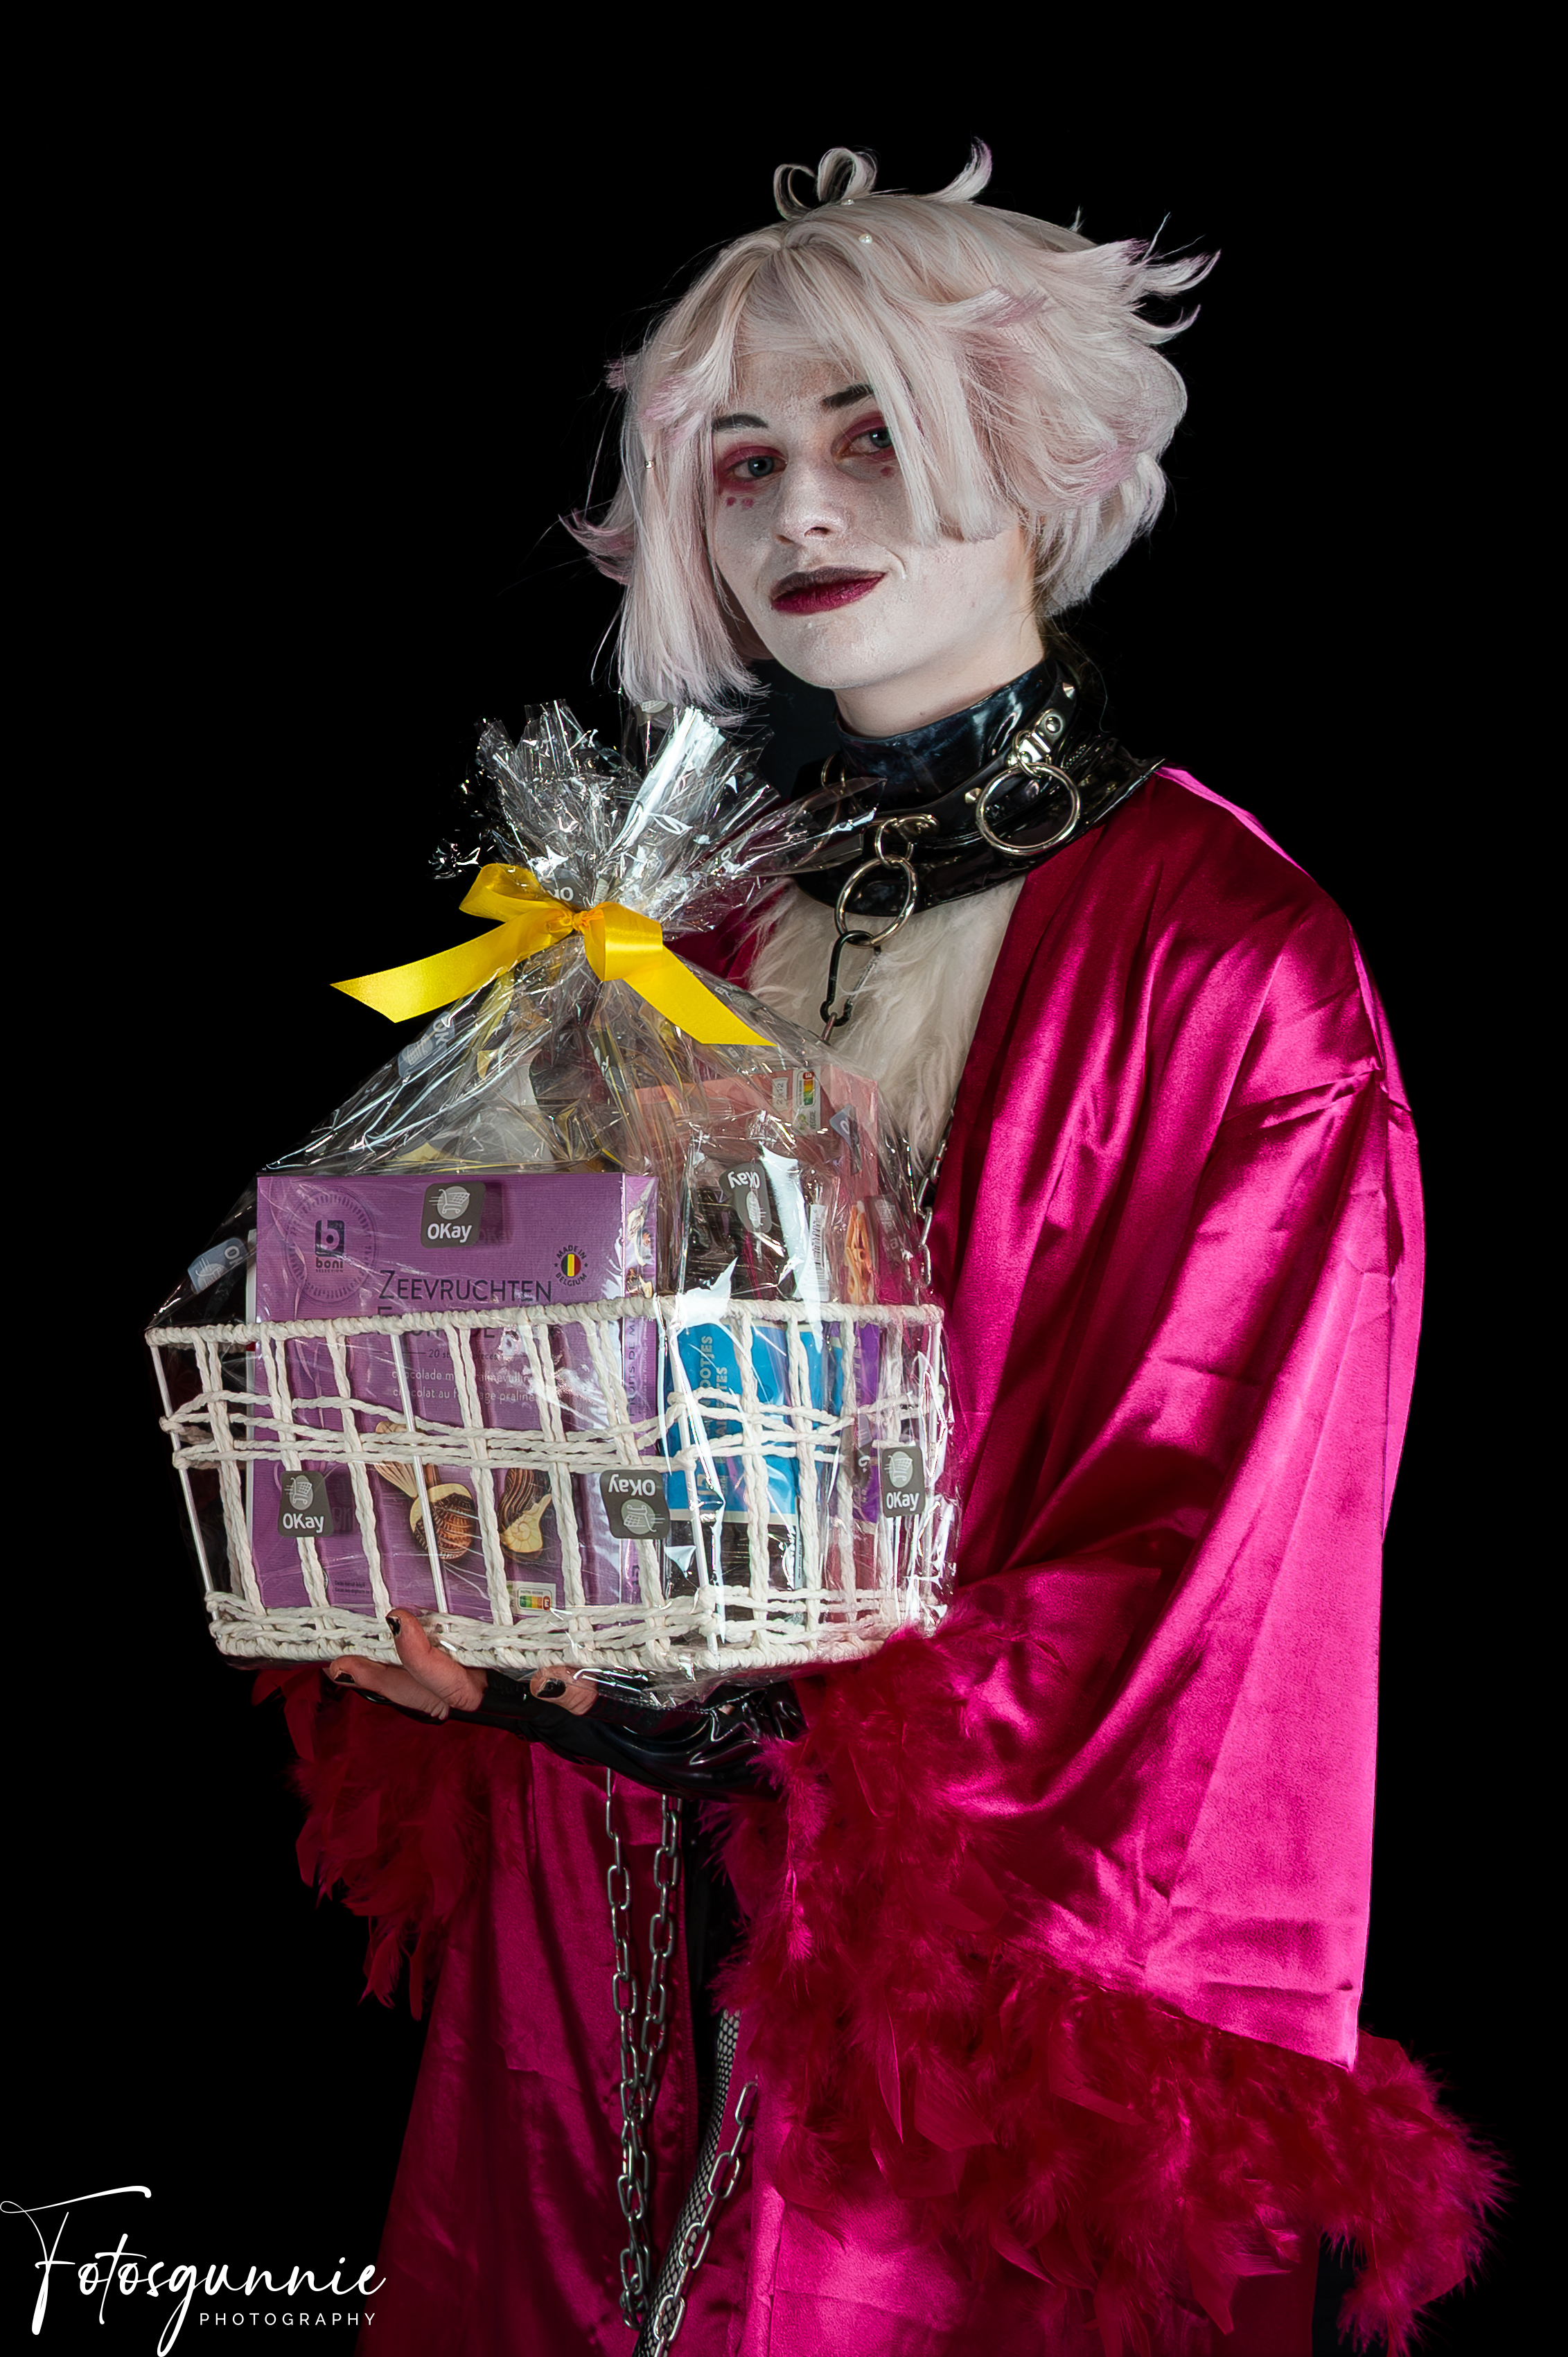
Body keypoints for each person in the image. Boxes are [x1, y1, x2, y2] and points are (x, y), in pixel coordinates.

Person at [275, 145, 1495, 2354]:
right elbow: (529, 1376)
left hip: (937, 2014)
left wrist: (739, 1701)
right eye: (745, 461)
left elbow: (1222, 1576)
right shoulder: (681, 919)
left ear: (1031, 452)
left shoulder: (1239, 969)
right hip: (596, 1960)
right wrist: (418, 1553)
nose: (801, 514)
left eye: (869, 435)